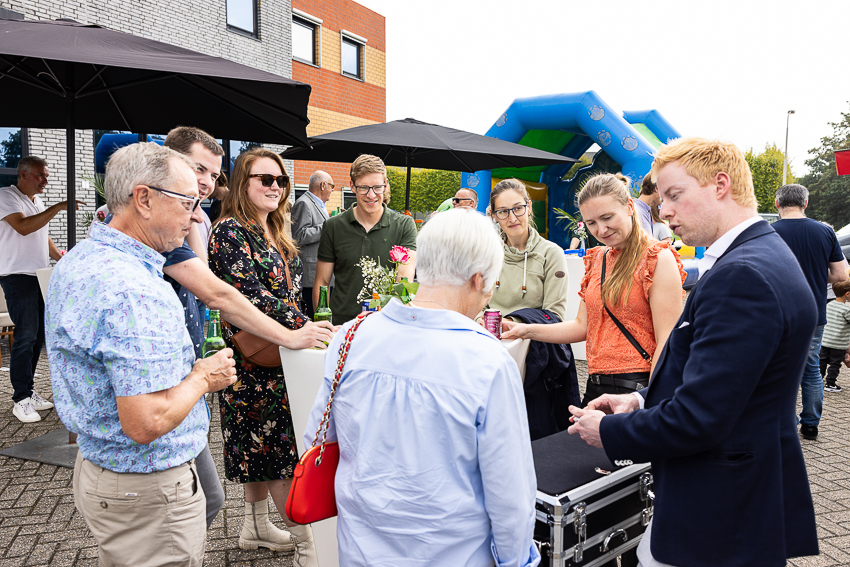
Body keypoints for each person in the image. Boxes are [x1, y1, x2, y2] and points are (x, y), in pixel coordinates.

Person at [569, 138, 819, 567]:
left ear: (720, 184)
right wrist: (641, 400)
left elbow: (700, 418)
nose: (663, 211)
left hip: (718, 508)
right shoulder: (762, 253)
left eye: (674, 195)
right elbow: (730, 383)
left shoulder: (742, 274)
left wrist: (608, 432)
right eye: (662, 198)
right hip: (740, 495)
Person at [303, 208, 540, 567]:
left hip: (360, 550)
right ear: (479, 280)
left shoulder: (351, 336)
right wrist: (518, 561)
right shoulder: (488, 361)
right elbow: (510, 494)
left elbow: (316, 442)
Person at [46, 142, 238, 566]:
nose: (194, 216)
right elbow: (146, 421)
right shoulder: (133, 290)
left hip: (104, 470)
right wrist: (204, 377)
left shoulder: (82, 258)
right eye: (188, 201)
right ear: (144, 198)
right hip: (148, 486)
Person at [208, 148, 320, 563]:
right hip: (253, 359)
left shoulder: (273, 229)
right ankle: (309, 546)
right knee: (277, 453)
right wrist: (305, 327)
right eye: (265, 179)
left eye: (281, 181)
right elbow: (251, 297)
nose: (275, 187)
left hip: (274, 356)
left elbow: (283, 293)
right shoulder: (230, 232)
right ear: (243, 183)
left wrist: (301, 325)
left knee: (258, 446)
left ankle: (254, 526)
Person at [503, 173, 684, 406]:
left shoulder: (657, 257)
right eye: (591, 223)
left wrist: (649, 402)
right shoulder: (598, 258)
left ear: (630, 207)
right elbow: (581, 326)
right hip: (595, 385)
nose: (601, 230)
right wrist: (524, 330)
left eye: (607, 217)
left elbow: (667, 341)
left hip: (637, 388)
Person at [484, 178, 578, 439]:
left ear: (529, 208)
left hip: (537, 354)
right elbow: (479, 303)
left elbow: (555, 315)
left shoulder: (551, 253)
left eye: (518, 208)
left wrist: (516, 323)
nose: (512, 217)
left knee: (533, 428)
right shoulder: (488, 253)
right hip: (494, 348)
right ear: (494, 216)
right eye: (502, 211)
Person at [0, 156, 82, 423]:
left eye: (45, 175)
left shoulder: (36, 202)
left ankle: (29, 391)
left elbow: (40, 234)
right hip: (16, 276)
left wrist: (62, 258)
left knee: (37, 335)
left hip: (39, 274)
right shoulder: (6, 196)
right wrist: (59, 207)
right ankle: (20, 398)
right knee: (25, 335)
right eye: (40, 175)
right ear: (23, 175)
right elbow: (23, 228)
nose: (45, 180)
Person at [772, 183, 847, 440]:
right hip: (814, 312)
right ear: (805, 204)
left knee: (781, 368)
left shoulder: (768, 232)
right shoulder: (825, 232)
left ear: (777, 205)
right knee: (811, 366)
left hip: (778, 314)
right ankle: (811, 424)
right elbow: (840, 275)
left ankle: (787, 424)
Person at [314, 154, 418, 324]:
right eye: (363, 188)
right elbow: (322, 282)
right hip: (342, 327)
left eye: (377, 187)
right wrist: (323, 325)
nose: (371, 195)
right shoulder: (333, 226)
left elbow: (404, 281)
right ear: (352, 187)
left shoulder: (404, 225)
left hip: (387, 326)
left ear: (385, 186)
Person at [292, 170, 335, 319]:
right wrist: (328, 225)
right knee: (314, 315)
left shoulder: (319, 204)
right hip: (311, 274)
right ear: (323, 185)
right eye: (332, 186)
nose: (333, 190)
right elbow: (299, 236)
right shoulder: (304, 203)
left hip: (322, 271)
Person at [821, 279, 850, 393]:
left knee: (822, 361)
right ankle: (830, 383)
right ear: (847, 294)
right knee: (835, 363)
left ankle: (818, 379)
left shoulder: (829, 305)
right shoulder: (846, 310)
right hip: (838, 344)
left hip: (825, 341)